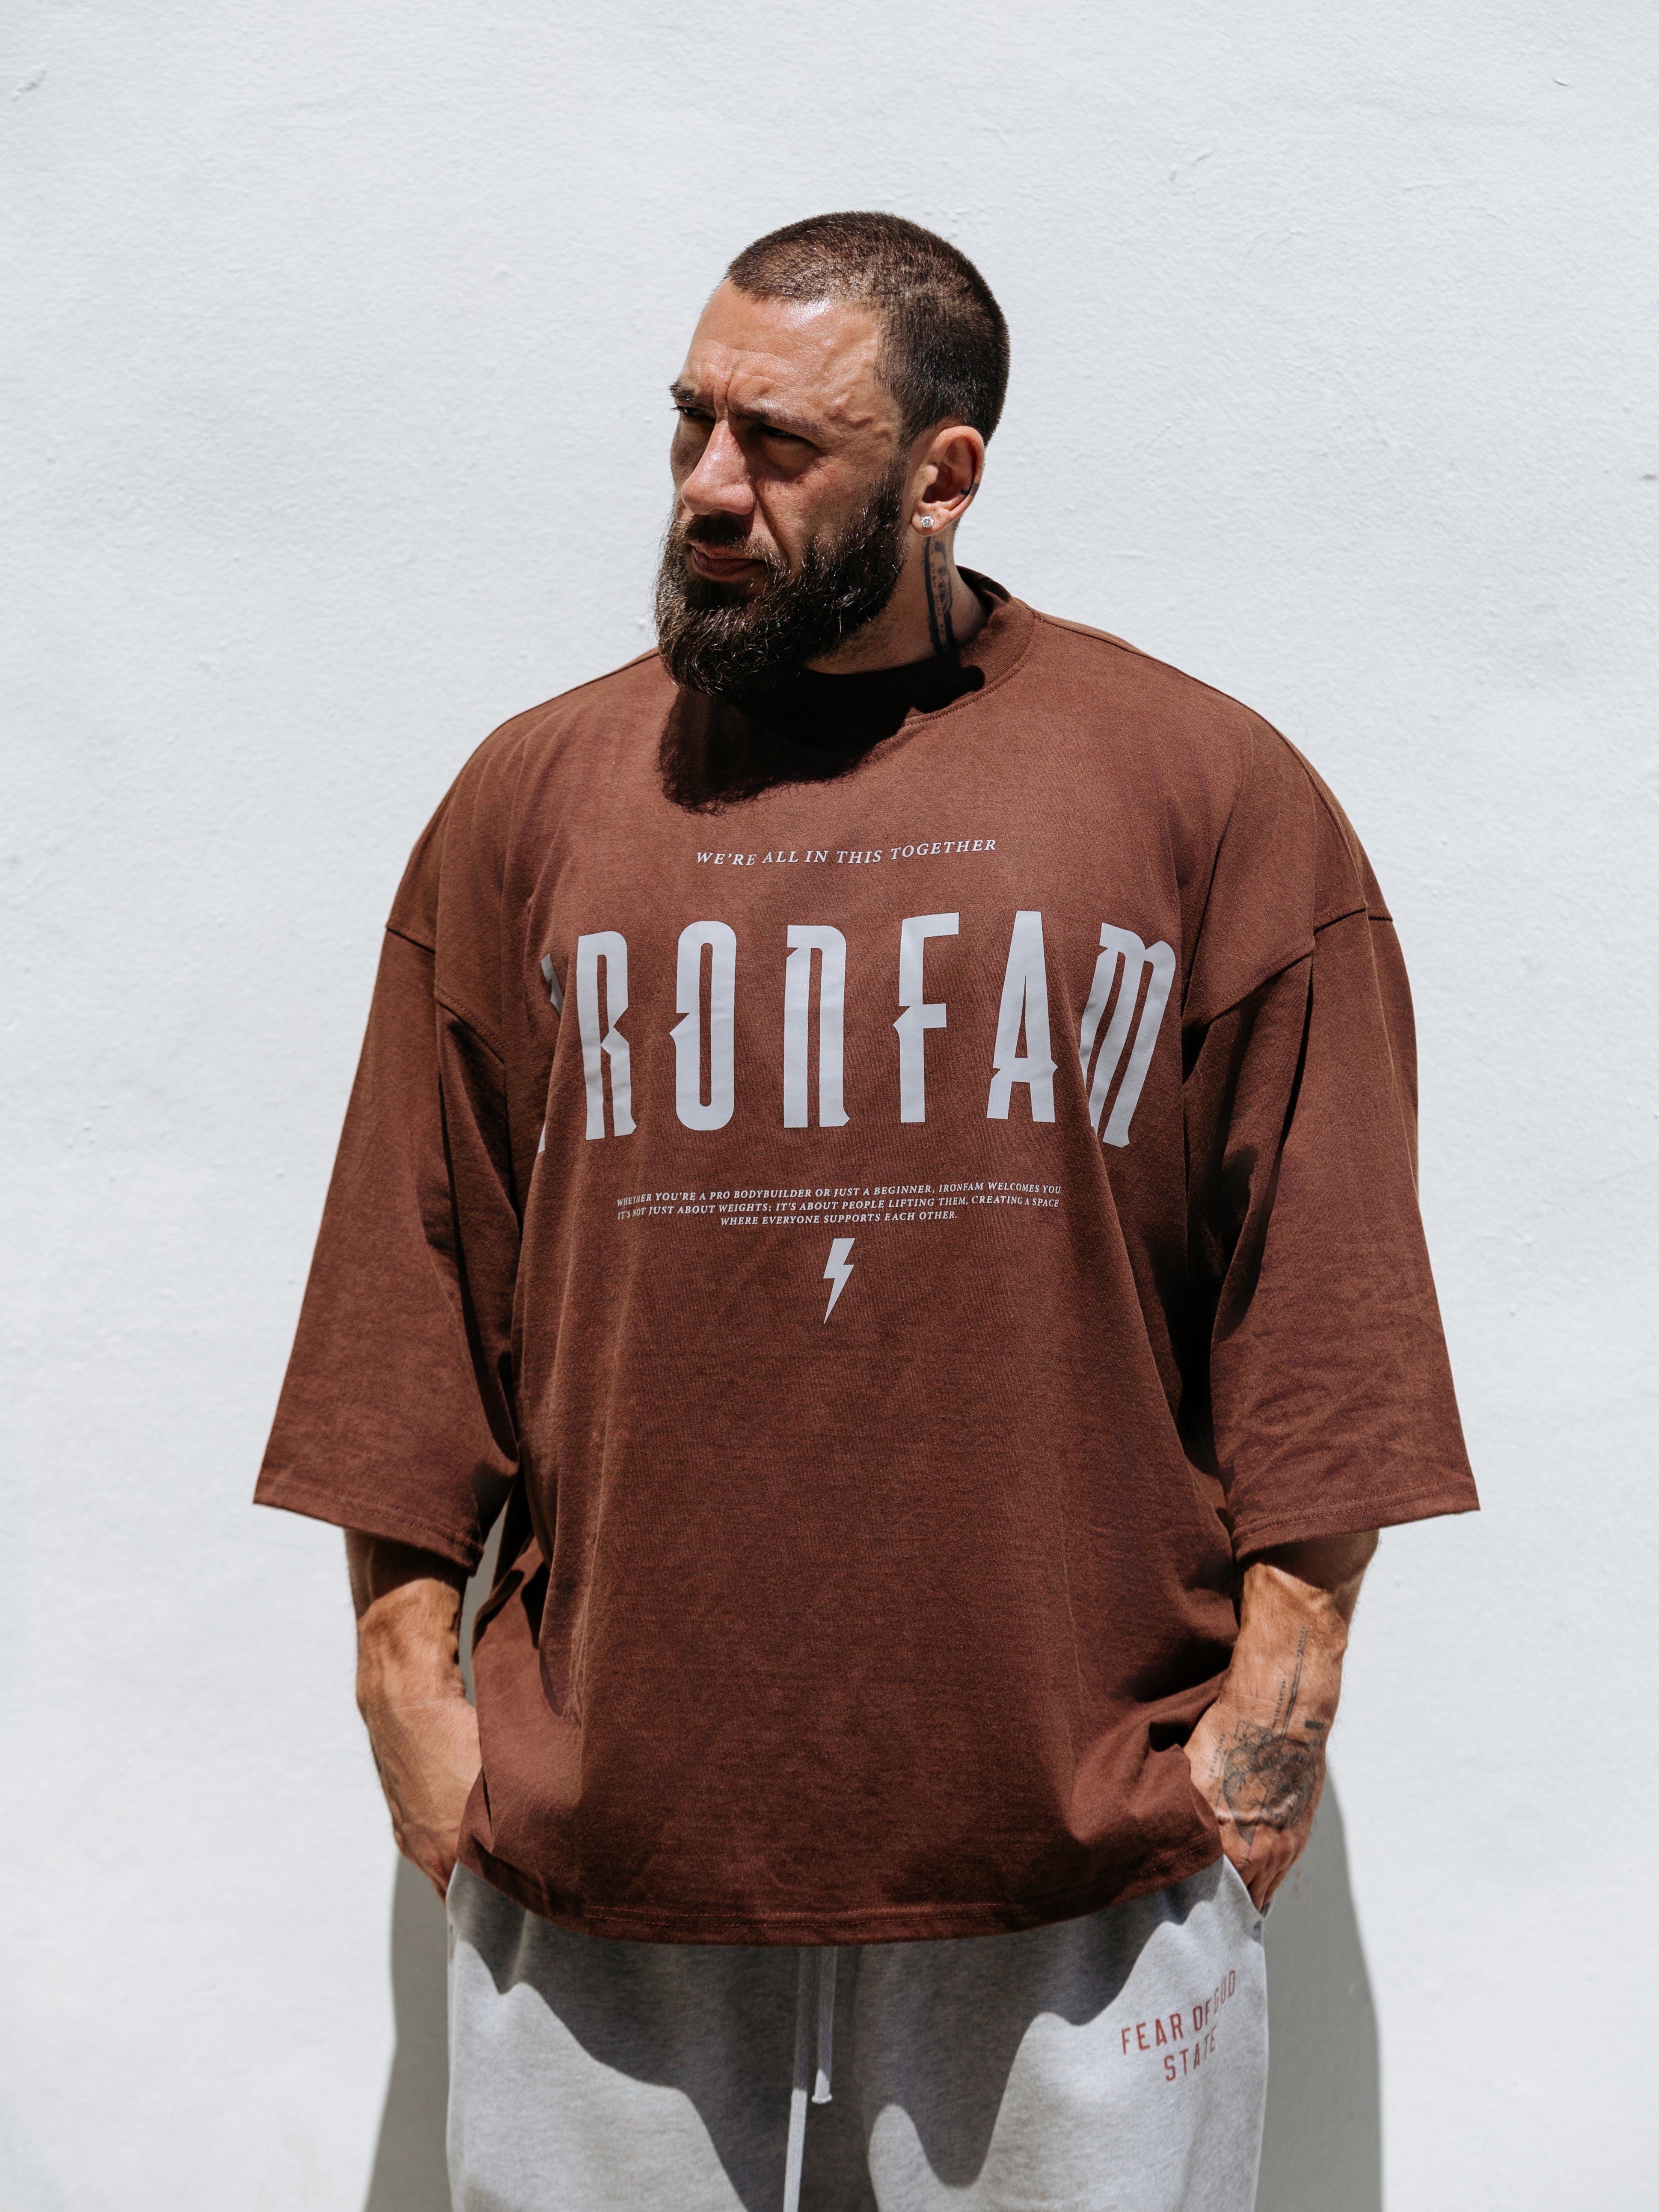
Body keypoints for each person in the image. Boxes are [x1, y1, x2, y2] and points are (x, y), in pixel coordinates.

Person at [257, 211, 1477, 2212]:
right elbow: (414, 1276)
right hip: (609, 1867)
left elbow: (1325, 1300)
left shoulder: (1199, 791)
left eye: (778, 444)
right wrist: (412, 1685)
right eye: (689, 423)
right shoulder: (536, 800)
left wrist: (1267, 1727)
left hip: (1078, 1876)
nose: (706, 487)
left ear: (941, 473)